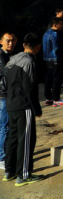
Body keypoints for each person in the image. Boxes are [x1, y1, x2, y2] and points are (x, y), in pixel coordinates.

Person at [4, 33, 43, 186]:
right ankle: (23, 175)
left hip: (11, 104)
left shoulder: (13, 59)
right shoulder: (29, 62)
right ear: (37, 46)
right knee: (26, 140)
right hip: (23, 106)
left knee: (13, 138)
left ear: (23, 45)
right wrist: (36, 109)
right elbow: (30, 89)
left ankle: (9, 171)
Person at [0, 31, 19, 172]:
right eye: (8, 40)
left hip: (10, 94)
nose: (10, 43)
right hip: (3, 95)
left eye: (12, 40)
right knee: (5, 127)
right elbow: (9, 74)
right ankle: (1, 158)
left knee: (8, 127)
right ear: (1, 41)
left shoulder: (12, 55)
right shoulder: (1, 56)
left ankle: (7, 155)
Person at [42, 18, 63, 106]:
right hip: (56, 59)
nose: (62, 26)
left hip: (47, 59)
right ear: (55, 25)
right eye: (60, 24)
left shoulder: (46, 33)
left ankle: (48, 98)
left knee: (48, 79)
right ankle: (56, 99)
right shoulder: (55, 34)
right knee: (57, 79)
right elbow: (57, 48)